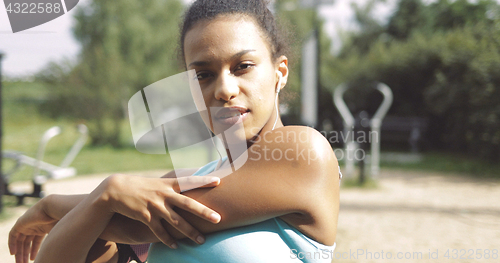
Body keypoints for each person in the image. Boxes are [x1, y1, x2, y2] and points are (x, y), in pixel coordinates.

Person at [8, 0, 341, 262]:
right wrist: (101, 199)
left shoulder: (301, 152)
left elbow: (136, 222)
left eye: (243, 67)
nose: (224, 89)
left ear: (280, 72)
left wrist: (55, 206)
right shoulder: (186, 178)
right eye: (203, 75)